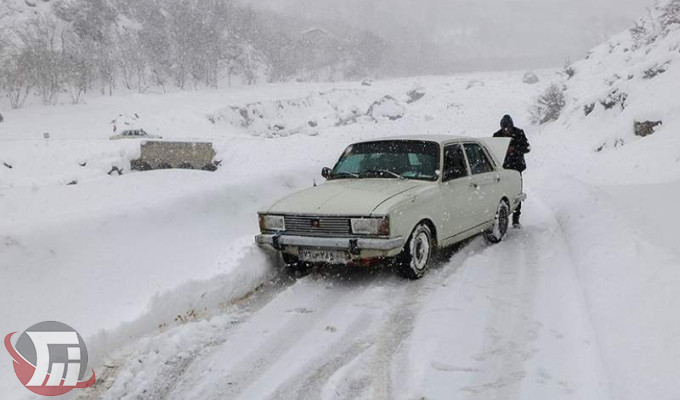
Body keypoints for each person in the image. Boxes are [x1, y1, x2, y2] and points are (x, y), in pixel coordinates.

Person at [493, 114, 531, 228]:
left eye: (508, 128)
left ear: (512, 126)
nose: (506, 131)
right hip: (502, 169)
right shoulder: (496, 136)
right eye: (504, 128)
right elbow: (492, 151)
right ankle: (501, 220)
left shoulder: (519, 133)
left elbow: (527, 148)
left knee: (516, 194)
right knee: (500, 195)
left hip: (516, 168)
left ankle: (515, 220)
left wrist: (515, 149)